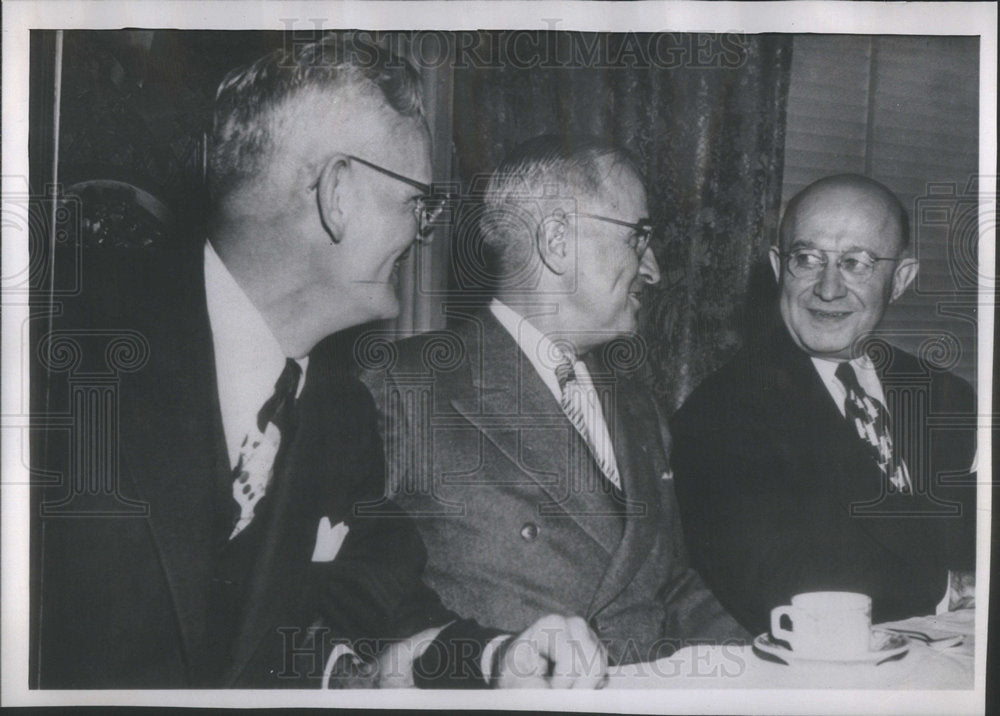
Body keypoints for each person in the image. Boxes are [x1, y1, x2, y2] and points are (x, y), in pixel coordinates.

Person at [31, 34, 605, 689]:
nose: (425, 233)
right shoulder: (63, 371)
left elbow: (394, 613)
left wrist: (494, 659)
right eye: (420, 202)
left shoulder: (342, 418)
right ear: (338, 194)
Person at [362, 135, 748, 666]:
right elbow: (363, 608)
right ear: (558, 239)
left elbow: (668, 584)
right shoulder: (403, 388)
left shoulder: (636, 403)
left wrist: (767, 657)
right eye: (638, 237)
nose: (654, 268)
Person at [670, 174, 977, 636]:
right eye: (807, 258)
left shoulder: (945, 395)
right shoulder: (719, 413)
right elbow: (781, 586)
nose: (828, 289)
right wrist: (949, 589)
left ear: (901, 280)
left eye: (857, 263)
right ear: (778, 268)